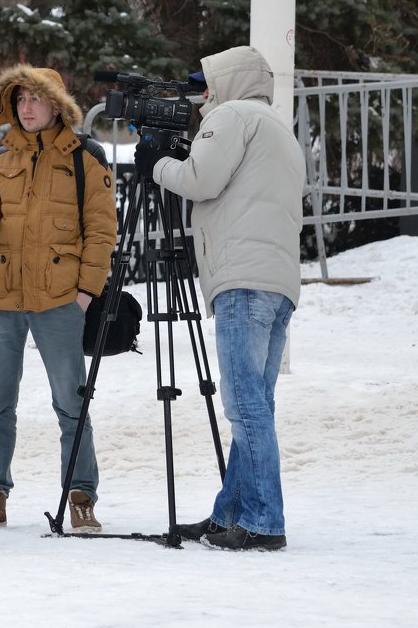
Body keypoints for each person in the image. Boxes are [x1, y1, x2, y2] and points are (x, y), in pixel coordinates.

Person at [135, 45, 304, 552]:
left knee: (245, 405)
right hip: (277, 283)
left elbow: (199, 180)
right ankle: (230, 513)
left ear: (228, 82)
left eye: (207, 82)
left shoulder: (231, 115)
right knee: (256, 403)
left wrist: (157, 162)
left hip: (241, 280)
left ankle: (264, 522)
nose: (201, 94)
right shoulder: (277, 127)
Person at [0, 65, 115, 533]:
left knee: (71, 403)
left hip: (61, 299)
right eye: (19, 100)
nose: (26, 108)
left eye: (34, 100)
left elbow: (102, 233)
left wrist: (85, 293)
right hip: (2, 298)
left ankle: (81, 495)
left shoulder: (86, 162)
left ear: (56, 105)